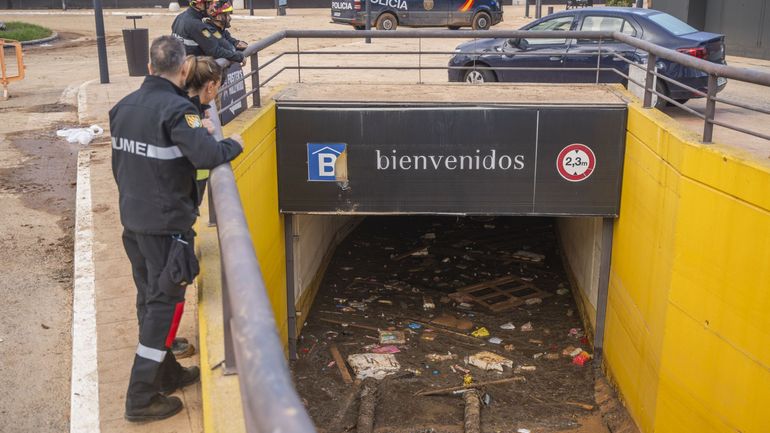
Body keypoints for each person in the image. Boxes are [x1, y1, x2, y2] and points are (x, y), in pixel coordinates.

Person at [110, 35, 243, 422]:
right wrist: (232, 143)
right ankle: (139, 399)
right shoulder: (177, 111)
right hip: (166, 228)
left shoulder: (124, 106)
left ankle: (167, 374)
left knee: (148, 300)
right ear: (184, 68)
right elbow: (206, 154)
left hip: (134, 223)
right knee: (162, 310)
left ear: (149, 67)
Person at [184, 55, 224, 207]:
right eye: (217, 88)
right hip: (184, 193)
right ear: (210, 86)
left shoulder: (185, 102)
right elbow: (195, 141)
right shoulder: (188, 112)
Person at [171, 0, 244, 63]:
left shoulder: (179, 17)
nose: (211, 7)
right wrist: (239, 57)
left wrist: (234, 42)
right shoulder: (197, 25)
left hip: (180, 66)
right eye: (209, 3)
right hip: (192, 72)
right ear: (199, 4)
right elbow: (214, 51)